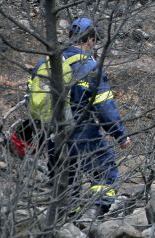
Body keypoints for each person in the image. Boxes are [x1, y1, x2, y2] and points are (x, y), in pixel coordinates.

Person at [31, 17, 130, 215]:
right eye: (95, 41)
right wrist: (119, 134)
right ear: (91, 39)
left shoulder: (47, 62)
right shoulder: (89, 67)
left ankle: (68, 228)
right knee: (105, 174)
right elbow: (103, 106)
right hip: (82, 132)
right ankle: (96, 219)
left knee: (64, 187)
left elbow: (32, 98)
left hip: (51, 134)